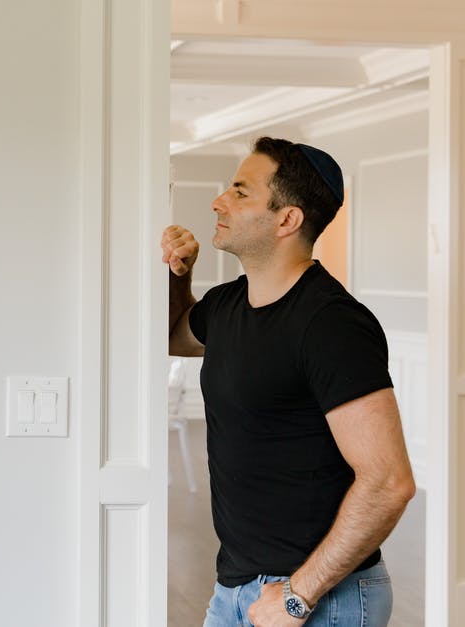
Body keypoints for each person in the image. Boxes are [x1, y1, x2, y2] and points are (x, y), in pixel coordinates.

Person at [160, 137, 416, 626]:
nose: (218, 202)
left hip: (318, 599)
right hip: (237, 588)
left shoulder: (332, 324)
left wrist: (298, 596)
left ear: (287, 220)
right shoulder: (230, 304)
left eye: (239, 192)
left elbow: (389, 482)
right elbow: (173, 334)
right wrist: (178, 276)